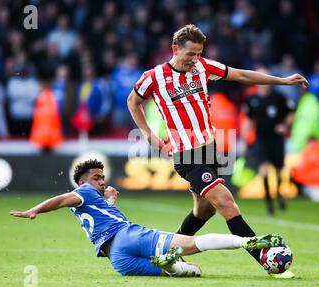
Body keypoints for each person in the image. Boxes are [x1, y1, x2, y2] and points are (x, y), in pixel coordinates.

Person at [127, 24, 307, 267]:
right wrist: (149, 135)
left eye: (199, 53)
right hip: (187, 154)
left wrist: (282, 81)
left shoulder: (203, 67)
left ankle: (166, 255)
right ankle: (264, 258)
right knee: (225, 202)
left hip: (210, 150)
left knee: (204, 211)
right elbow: (133, 101)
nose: (195, 59)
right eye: (190, 53)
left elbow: (242, 75)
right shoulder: (154, 77)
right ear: (175, 49)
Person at [9, 159, 286, 277]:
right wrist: (35, 209)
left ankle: (173, 264)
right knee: (194, 244)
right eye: (97, 178)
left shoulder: (92, 199)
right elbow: (60, 200)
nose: (102, 181)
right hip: (128, 236)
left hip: (118, 260)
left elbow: (97, 211)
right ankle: (247, 242)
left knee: (191, 271)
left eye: (103, 177)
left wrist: (110, 200)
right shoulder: (82, 192)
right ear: (82, 180)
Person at [241, 67, 296, 215]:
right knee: (264, 170)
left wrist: (284, 125)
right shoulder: (252, 99)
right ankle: (269, 202)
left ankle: (278, 192)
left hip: (276, 139)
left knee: (278, 170)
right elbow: (248, 119)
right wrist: (245, 140)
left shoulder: (279, 97)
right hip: (261, 139)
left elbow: (291, 113)